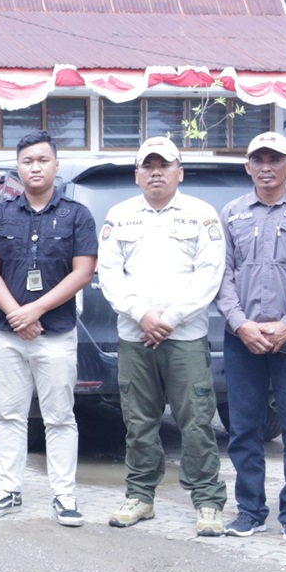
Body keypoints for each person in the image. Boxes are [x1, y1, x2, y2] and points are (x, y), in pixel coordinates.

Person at [96, 137, 227, 534]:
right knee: (138, 420)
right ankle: (140, 496)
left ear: (179, 173)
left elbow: (210, 273)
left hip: (185, 337)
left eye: (164, 165)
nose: (156, 172)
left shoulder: (202, 214)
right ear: (137, 175)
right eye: (147, 166)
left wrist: (168, 318)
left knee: (196, 421)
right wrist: (141, 314)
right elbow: (110, 272)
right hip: (135, 336)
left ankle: (207, 502)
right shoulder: (118, 216)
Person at [0, 132, 99, 527]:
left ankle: (64, 496)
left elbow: (83, 271)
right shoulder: (0, 214)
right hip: (8, 335)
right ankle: (8, 490)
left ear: (56, 165)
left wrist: (36, 310)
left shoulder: (77, 215)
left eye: (43, 160)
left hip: (57, 333)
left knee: (60, 417)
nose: (35, 167)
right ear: (18, 166)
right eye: (27, 161)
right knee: (9, 415)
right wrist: (16, 313)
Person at [216, 131, 286, 543]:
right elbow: (222, 275)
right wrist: (241, 323)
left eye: (275, 159)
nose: (266, 166)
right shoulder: (231, 212)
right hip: (241, 336)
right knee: (244, 428)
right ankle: (250, 511)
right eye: (258, 159)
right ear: (247, 166)